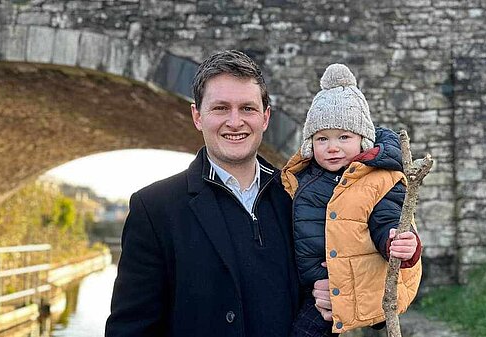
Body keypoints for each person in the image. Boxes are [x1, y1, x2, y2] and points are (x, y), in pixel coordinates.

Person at [105, 50, 328, 336]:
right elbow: (130, 330)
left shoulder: (300, 198)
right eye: (221, 108)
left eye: (247, 108)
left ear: (265, 117)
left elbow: (363, 284)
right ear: (197, 116)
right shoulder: (155, 208)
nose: (235, 122)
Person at [281, 64, 423, 336]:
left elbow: (387, 219)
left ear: (363, 140)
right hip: (311, 288)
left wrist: (399, 243)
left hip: (349, 286)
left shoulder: (378, 179)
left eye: (344, 137)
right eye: (322, 138)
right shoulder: (304, 179)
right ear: (311, 144)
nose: (332, 147)